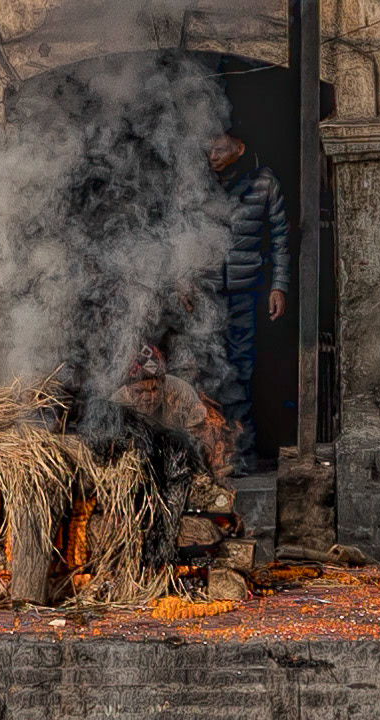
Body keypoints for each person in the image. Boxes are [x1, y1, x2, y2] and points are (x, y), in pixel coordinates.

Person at [203, 131, 290, 475]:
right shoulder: (197, 181)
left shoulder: (264, 183)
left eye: (220, 148)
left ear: (239, 149)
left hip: (244, 293)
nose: (212, 155)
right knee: (204, 368)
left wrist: (279, 286)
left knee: (240, 371)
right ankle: (208, 454)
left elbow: (280, 238)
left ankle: (241, 455)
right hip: (205, 293)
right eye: (209, 148)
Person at [110, 344, 233, 477]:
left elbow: (205, 438)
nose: (147, 397)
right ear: (127, 390)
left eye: (154, 389)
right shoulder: (118, 402)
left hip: (182, 454)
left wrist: (208, 469)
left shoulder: (182, 395)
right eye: (139, 391)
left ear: (162, 382)